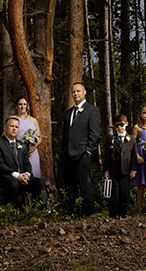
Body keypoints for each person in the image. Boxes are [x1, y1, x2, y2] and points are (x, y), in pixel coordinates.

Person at [60, 82, 101, 216]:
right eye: (73, 92)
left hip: (83, 153)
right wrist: (63, 152)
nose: (75, 94)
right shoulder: (68, 113)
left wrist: (89, 151)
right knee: (70, 184)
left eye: (78, 91)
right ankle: (71, 211)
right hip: (68, 154)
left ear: (84, 93)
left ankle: (88, 212)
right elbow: (66, 134)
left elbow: (95, 133)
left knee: (85, 183)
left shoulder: (92, 110)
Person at [0, 117, 47, 205]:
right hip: (6, 177)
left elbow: (27, 163)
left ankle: (41, 211)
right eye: (11, 126)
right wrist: (16, 175)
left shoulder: (22, 145)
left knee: (40, 183)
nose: (14, 129)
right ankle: (5, 209)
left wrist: (27, 174)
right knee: (13, 183)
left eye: (16, 127)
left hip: (22, 179)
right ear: (5, 128)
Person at [104, 114, 138, 218]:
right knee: (114, 192)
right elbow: (107, 155)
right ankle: (113, 213)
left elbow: (133, 155)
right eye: (117, 126)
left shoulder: (131, 139)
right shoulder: (111, 139)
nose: (120, 128)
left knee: (124, 192)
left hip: (126, 170)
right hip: (114, 170)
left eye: (122, 125)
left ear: (126, 124)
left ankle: (123, 213)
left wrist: (133, 169)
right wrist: (106, 169)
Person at [12, 96, 42, 178]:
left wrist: (34, 146)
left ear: (27, 106)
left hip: (32, 153)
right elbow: (5, 136)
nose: (22, 106)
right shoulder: (13, 119)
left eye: (24, 104)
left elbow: (40, 137)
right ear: (16, 106)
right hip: (19, 152)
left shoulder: (33, 120)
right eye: (20, 104)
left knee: (34, 175)